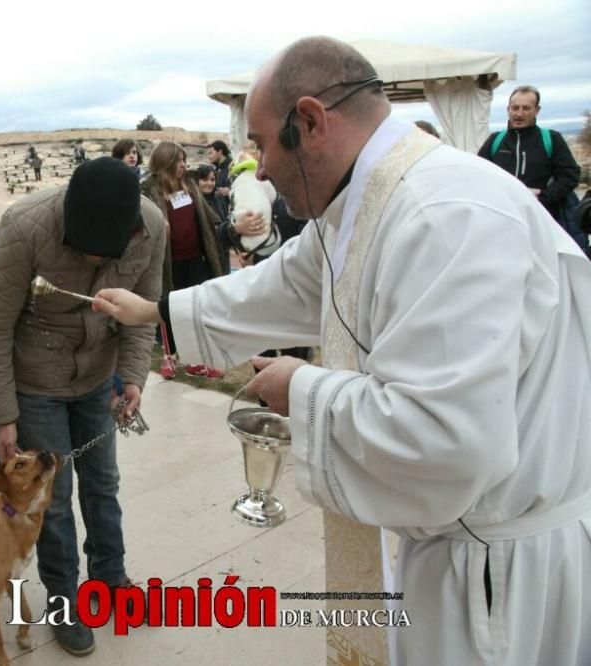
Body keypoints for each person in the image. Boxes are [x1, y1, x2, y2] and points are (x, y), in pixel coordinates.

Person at [93, 36, 591, 666]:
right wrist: (159, 311)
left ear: (310, 121)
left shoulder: (444, 214)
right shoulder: (367, 200)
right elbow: (280, 283)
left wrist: (300, 388)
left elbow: (446, 438)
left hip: (498, 584)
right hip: (456, 555)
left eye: (264, 142)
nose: (261, 168)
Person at [0, 157, 166, 657]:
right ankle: (63, 600)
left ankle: (109, 578)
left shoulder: (153, 226)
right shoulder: (26, 225)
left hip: (100, 378)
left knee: (103, 483)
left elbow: (145, 313)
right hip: (37, 382)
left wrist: (134, 378)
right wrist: (3, 414)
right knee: (51, 501)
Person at [141, 141, 227, 379]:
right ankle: (169, 358)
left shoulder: (190, 184)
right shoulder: (150, 190)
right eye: (179, 160)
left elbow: (208, 217)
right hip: (168, 263)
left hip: (194, 259)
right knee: (167, 310)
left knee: (195, 310)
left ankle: (197, 361)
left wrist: (227, 229)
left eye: (184, 160)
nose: (184, 164)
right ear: (166, 161)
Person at [478, 85, 582, 248]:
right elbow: (479, 175)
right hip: (503, 222)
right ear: (508, 109)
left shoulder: (551, 139)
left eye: (526, 108)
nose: (519, 114)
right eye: (515, 108)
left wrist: (543, 198)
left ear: (537, 110)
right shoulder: (495, 140)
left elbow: (570, 175)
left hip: (543, 222)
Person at [206, 139, 233, 207]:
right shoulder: (215, 169)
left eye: (211, 153)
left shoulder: (233, 167)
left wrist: (229, 191)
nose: (209, 156)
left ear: (220, 152)